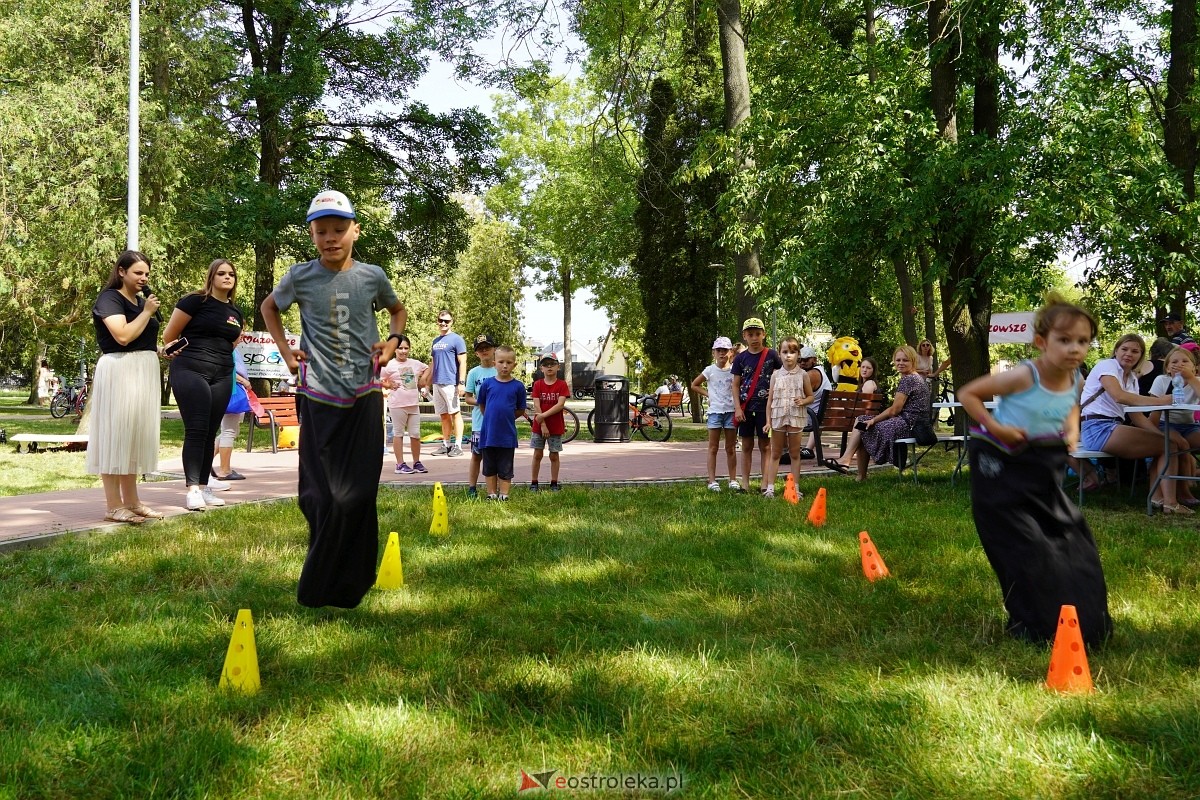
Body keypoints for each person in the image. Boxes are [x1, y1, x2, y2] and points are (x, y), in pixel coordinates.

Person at [261, 189, 408, 609]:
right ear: (311, 234)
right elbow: (270, 307)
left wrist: (392, 340)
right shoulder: (300, 276)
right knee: (320, 497)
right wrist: (287, 352)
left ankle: (347, 584)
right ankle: (322, 581)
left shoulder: (372, 276)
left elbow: (397, 311)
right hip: (318, 394)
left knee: (356, 495)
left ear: (355, 231)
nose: (330, 238)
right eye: (321, 230)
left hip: (364, 394)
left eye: (339, 230)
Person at [958, 294, 1113, 647]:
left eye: (1083, 341)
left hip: (1038, 468)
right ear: (1041, 342)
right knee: (1024, 544)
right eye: (1065, 340)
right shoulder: (1024, 375)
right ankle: (1032, 621)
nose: (1075, 349)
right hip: (1001, 468)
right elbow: (969, 394)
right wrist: (995, 427)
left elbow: (1072, 405)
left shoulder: (1075, 378)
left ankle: (1082, 617)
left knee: (1068, 538)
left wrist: (1072, 430)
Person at [85, 250, 166, 524]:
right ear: (122, 271)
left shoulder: (139, 302)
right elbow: (122, 336)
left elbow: (138, 338)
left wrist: (161, 349)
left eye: (146, 273)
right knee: (115, 436)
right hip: (119, 370)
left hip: (142, 371)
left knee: (133, 437)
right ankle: (113, 505)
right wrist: (146, 312)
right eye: (138, 273)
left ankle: (132, 501)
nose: (144, 278)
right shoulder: (110, 299)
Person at [162, 258, 244, 511]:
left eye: (231, 274)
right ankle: (192, 490)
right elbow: (169, 336)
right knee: (197, 429)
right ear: (211, 277)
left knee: (210, 431)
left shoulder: (235, 312)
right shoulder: (195, 301)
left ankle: (205, 486)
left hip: (222, 373)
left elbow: (232, 342)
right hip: (190, 368)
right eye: (221, 273)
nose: (227, 277)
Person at [1079, 334, 1189, 513]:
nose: (1129, 354)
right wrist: (1160, 401)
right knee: (1166, 446)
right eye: (1124, 349)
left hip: (1112, 427)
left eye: (1135, 351)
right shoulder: (1106, 366)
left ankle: (1159, 498)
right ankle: (1169, 502)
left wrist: (1157, 434)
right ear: (1116, 351)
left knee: (1169, 444)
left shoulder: (1131, 379)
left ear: (1141, 355)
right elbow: (1118, 396)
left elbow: (1137, 417)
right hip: (1097, 427)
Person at [828, 345, 930, 481]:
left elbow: (895, 410)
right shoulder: (917, 378)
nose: (900, 363)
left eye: (905, 360)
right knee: (863, 422)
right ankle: (855, 470)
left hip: (909, 425)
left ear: (913, 361)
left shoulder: (908, 379)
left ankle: (848, 462)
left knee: (864, 425)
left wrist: (874, 420)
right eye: (898, 360)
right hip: (916, 424)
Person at [731, 317, 783, 492]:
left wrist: (775, 390)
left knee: (765, 446)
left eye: (758, 334)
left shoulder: (772, 355)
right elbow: (735, 384)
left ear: (764, 335)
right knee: (746, 445)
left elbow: (783, 374)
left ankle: (764, 483)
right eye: (750, 334)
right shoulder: (740, 358)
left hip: (765, 408)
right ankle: (744, 483)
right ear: (744, 336)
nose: (754, 338)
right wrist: (738, 407)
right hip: (746, 407)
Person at [761, 336, 813, 499]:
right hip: (778, 417)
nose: (788, 355)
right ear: (779, 354)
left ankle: (795, 488)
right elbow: (770, 401)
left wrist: (803, 401)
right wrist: (768, 421)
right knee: (775, 453)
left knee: (795, 453)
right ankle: (770, 488)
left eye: (792, 352)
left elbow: (811, 396)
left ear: (798, 354)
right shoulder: (775, 375)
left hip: (796, 417)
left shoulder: (803, 374)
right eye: (785, 352)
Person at [1148, 346, 1200, 507]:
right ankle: (1183, 490)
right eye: (1175, 361)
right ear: (1168, 367)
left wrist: (1191, 378)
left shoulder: (1196, 381)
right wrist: (1153, 435)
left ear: (1194, 366)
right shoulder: (1161, 380)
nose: (1180, 364)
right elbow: (1154, 413)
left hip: (1189, 425)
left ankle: (1187, 484)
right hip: (1166, 424)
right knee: (1181, 444)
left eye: (1185, 361)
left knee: (1188, 441)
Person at [476, 345, 527, 501]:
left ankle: (504, 494)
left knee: (505, 467)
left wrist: (507, 417)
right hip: (489, 434)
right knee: (489, 466)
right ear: (494, 363)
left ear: (514, 365)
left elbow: (520, 409)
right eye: (501, 362)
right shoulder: (487, 384)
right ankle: (491, 493)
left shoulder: (518, 386)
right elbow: (482, 405)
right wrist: (491, 418)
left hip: (507, 436)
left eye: (509, 362)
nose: (505, 365)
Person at [691, 336, 738, 491]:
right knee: (713, 447)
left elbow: (739, 387)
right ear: (713, 353)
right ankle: (712, 480)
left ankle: (732, 479)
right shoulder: (710, 370)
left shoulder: (734, 371)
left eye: (725, 350)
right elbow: (694, 385)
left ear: (730, 352)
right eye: (719, 350)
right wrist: (708, 394)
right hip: (715, 413)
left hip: (731, 411)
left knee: (731, 448)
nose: (722, 353)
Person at [379, 334, 429, 475]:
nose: (403, 351)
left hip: (413, 405)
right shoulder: (389, 365)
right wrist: (388, 384)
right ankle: (400, 464)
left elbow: (427, 368)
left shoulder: (415, 363)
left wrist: (424, 379)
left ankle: (417, 462)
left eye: (406, 348)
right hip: (397, 405)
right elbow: (377, 378)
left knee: (415, 434)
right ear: (394, 349)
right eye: (400, 348)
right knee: (398, 433)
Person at [463, 334, 498, 498]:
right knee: (476, 456)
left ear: (494, 350)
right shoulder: (473, 373)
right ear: (476, 353)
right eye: (480, 349)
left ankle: (493, 490)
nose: (484, 351)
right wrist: (480, 402)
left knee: (494, 457)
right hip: (479, 423)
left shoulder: (500, 369)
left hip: (497, 423)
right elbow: (468, 397)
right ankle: (472, 488)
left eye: (487, 348)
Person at [530, 354, 570, 491]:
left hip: (556, 426)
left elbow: (560, 405)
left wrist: (542, 416)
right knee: (537, 454)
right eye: (546, 365)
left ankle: (554, 482)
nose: (549, 367)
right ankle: (534, 482)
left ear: (558, 366)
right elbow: (536, 405)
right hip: (539, 427)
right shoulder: (537, 385)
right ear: (541, 368)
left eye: (552, 364)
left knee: (554, 454)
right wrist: (542, 424)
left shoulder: (562, 385)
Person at [430, 309, 467, 457]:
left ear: (451, 322)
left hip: (451, 382)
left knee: (455, 413)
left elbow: (463, 361)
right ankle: (446, 444)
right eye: (441, 320)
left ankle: (458, 445)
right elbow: (432, 363)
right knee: (443, 415)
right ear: (437, 321)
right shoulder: (435, 341)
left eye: (447, 321)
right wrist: (426, 382)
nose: (443, 323)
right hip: (437, 382)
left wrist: (461, 382)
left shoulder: (457, 339)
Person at [213, 353, 251, 481]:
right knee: (228, 431)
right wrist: (244, 380)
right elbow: (227, 369)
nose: (242, 336)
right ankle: (224, 470)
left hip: (228, 389)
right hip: (232, 390)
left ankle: (203, 463)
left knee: (230, 431)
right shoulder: (227, 347)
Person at [799, 345, 831, 460]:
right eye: (800, 360)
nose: (802, 363)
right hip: (819, 416)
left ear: (814, 360)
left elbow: (795, 395)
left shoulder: (811, 375)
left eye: (806, 360)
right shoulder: (821, 371)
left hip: (812, 417)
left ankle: (786, 449)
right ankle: (808, 448)